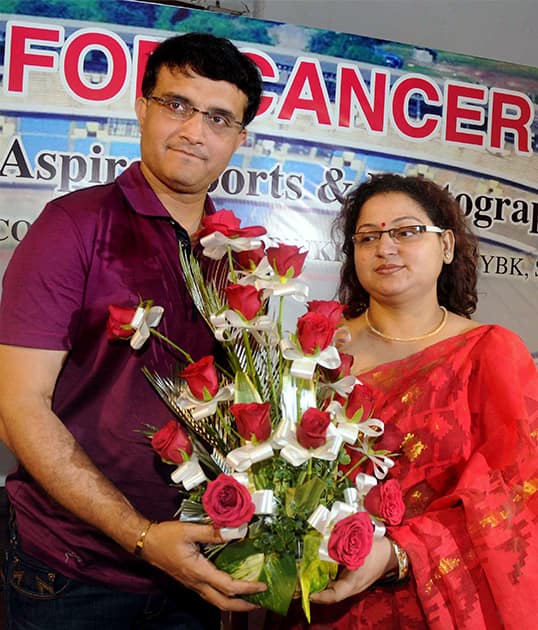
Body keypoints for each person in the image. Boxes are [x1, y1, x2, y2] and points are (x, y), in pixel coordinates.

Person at [0, 32, 267, 629]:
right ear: (142, 105)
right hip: (72, 572)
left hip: (197, 569)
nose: (195, 131)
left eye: (219, 118)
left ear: (239, 139)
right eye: (178, 105)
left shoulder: (240, 256)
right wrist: (141, 536)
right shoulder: (73, 226)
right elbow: (18, 406)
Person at [284, 173, 538, 629]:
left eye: (406, 231)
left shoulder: (489, 353)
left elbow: (518, 497)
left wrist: (398, 552)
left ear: (446, 245)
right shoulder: (318, 348)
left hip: (439, 606)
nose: (385, 248)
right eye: (368, 237)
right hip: (317, 599)